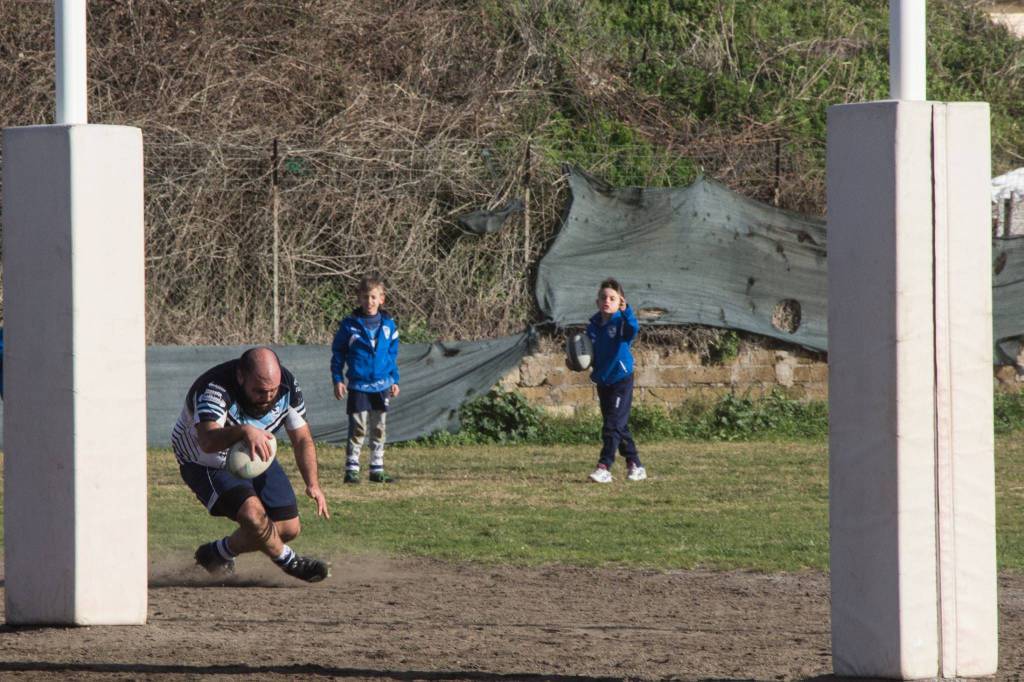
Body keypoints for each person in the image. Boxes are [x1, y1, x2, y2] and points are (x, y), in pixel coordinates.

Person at [171, 346, 331, 582]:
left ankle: (217, 553)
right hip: (205, 461)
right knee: (253, 515)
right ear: (240, 377)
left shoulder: (287, 386)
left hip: (253, 454)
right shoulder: (214, 388)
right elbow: (207, 441)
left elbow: (302, 438)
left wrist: (313, 483)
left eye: (272, 390)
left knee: (287, 528)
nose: (267, 397)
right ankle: (290, 562)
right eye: (259, 391)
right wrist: (245, 431)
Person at [331, 274, 400, 484]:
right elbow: (338, 353)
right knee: (358, 427)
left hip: (382, 385)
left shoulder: (389, 326)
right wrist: (338, 379)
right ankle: (352, 468)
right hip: (359, 385)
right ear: (358, 299)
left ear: (381, 299)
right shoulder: (350, 326)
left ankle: (376, 469)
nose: (368, 302)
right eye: (364, 297)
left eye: (372, 297)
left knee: (379, 427)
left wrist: (394, 379)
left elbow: (391, 356)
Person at [585, 278, 647, 483]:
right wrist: (575, 361)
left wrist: (627, 311)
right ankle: (635, 465)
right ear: (597, 302)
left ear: (620, 301)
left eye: (612, 298)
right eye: (603, 297)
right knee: (619, 426)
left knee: (612, 426)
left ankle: (604, 467)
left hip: (621, 380)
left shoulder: (621, 322)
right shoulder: (592, 327)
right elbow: (587, 354)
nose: (607, 301)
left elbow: (633, 330)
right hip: (604, 381)